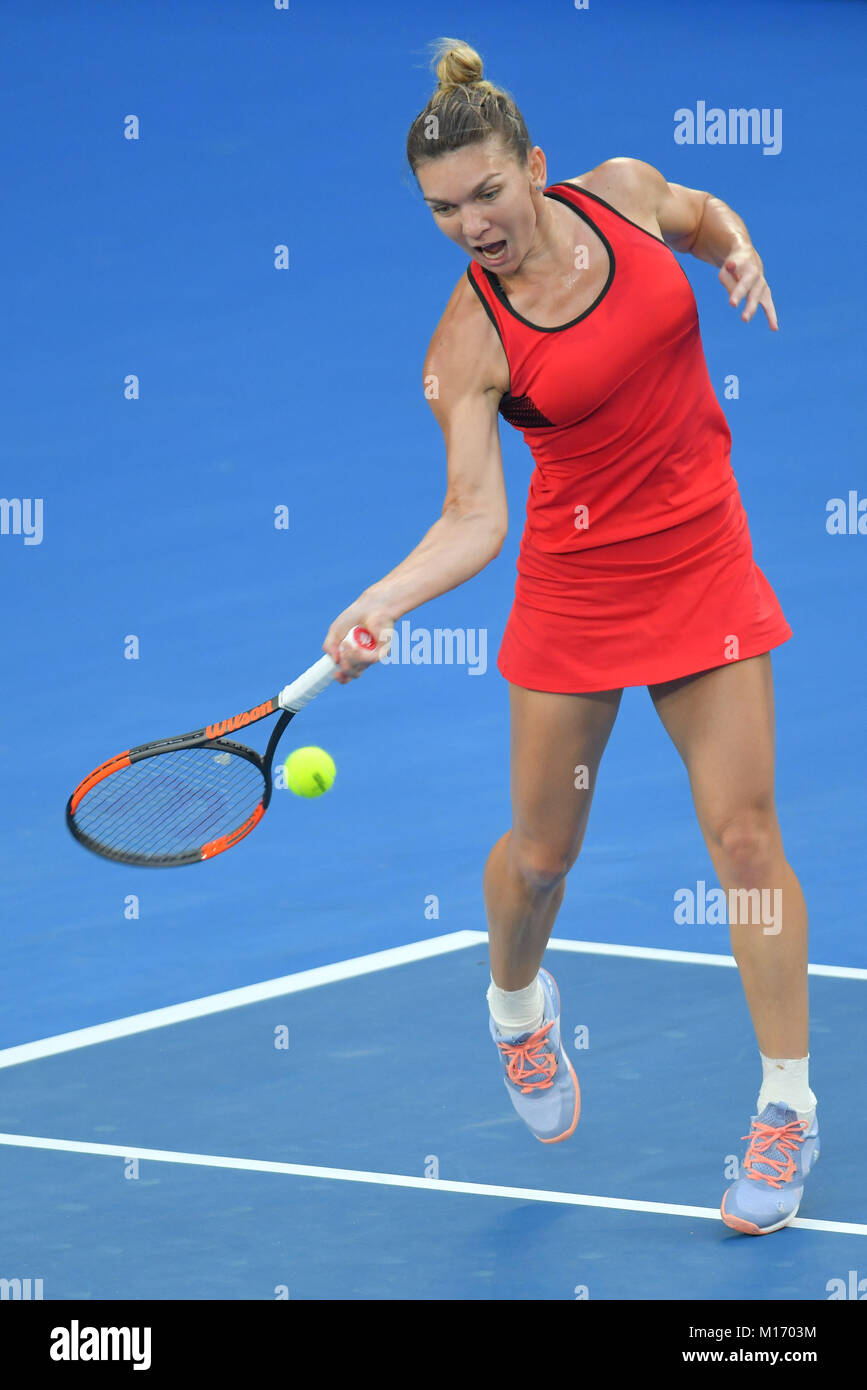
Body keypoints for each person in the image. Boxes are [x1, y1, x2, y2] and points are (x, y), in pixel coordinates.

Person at [323, 38, 818, 1236]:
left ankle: (788, 1107)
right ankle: (513, 1004)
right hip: (579, 590)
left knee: (746, 837)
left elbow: (702, 216)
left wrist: (738, 245)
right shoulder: (470, 343)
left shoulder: (626, 194)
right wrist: (383, 599)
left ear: (536, 168)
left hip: (702, 562)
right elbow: (474, 515)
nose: (470, 225)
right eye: (443, 210)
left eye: (486, 193)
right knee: (542, 858)